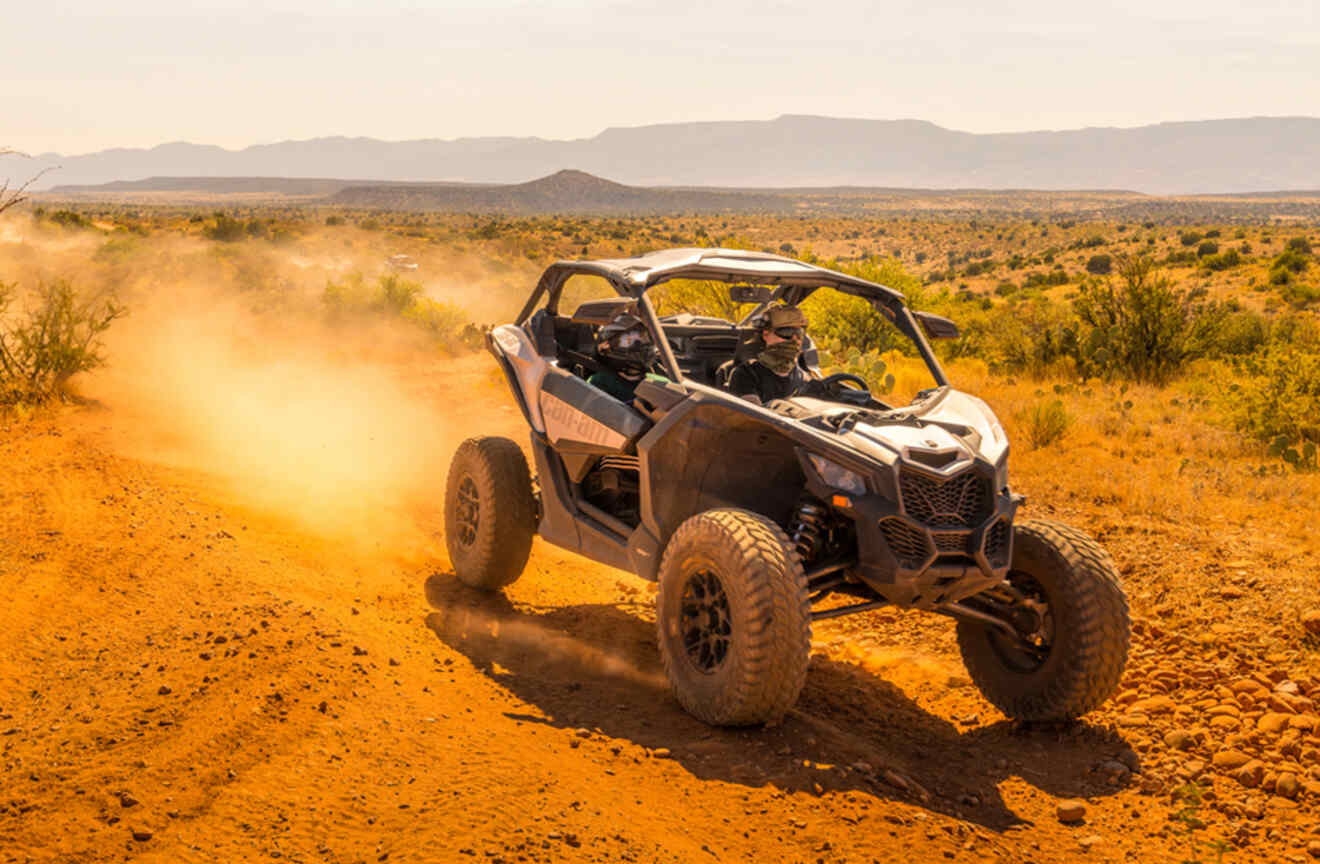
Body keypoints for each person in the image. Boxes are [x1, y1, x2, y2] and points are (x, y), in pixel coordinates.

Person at [726, 305, 813, 404]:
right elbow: (754, 416)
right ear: (766, 334)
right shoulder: (746, 375)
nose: (794, 339)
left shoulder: (803, 376)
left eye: (799, 332)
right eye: (786, 332)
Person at [587, 311, 667, 403]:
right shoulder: (600, 382)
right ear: (607, 346)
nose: (640, 344)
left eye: (642, 338)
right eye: (629, 340)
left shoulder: (660, 383)